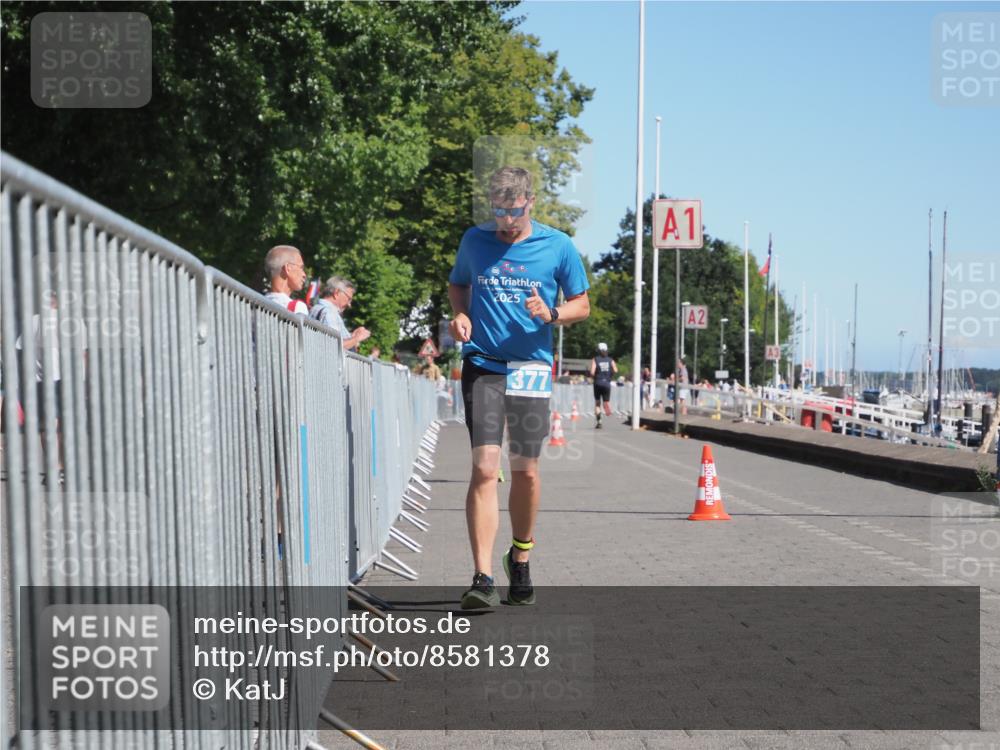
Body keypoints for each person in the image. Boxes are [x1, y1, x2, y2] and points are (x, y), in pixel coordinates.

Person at [448, 166, 590, 609]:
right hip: (484, 363)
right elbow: (458, 284)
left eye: (513, 211)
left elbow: (582, 305)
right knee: (485, 469)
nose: (505, 221)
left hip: (530, 365)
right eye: (498, 211)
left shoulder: (558, 245)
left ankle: (521, 554)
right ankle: (483, 577)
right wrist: (461, 315)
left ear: (530, 203)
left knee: (525, 471)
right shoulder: (475, 240)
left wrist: (551, 314)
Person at [309, 276, 371, 350]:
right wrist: (357, 338)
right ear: (336, 293)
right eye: (349, 299)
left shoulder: (316, 308)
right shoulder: (329, 313)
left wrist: (352, 336)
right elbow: (335, 346)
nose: (349, 304)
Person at [264, 245, 309, 316]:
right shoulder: (297, 307)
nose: (304, 274)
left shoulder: (255, 305)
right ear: (288, 268)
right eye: (301, 268)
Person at [588, 343, 617, 428]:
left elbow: (592, 372)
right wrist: (609, 375)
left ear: (598, 350)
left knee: (597, 403)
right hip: (607, 383)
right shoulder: (610, 360)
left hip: (597, 382)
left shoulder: (595, 359)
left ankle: (599, 421)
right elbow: (615, 370)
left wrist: (594, 376)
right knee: (606, 401)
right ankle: (606, 405)